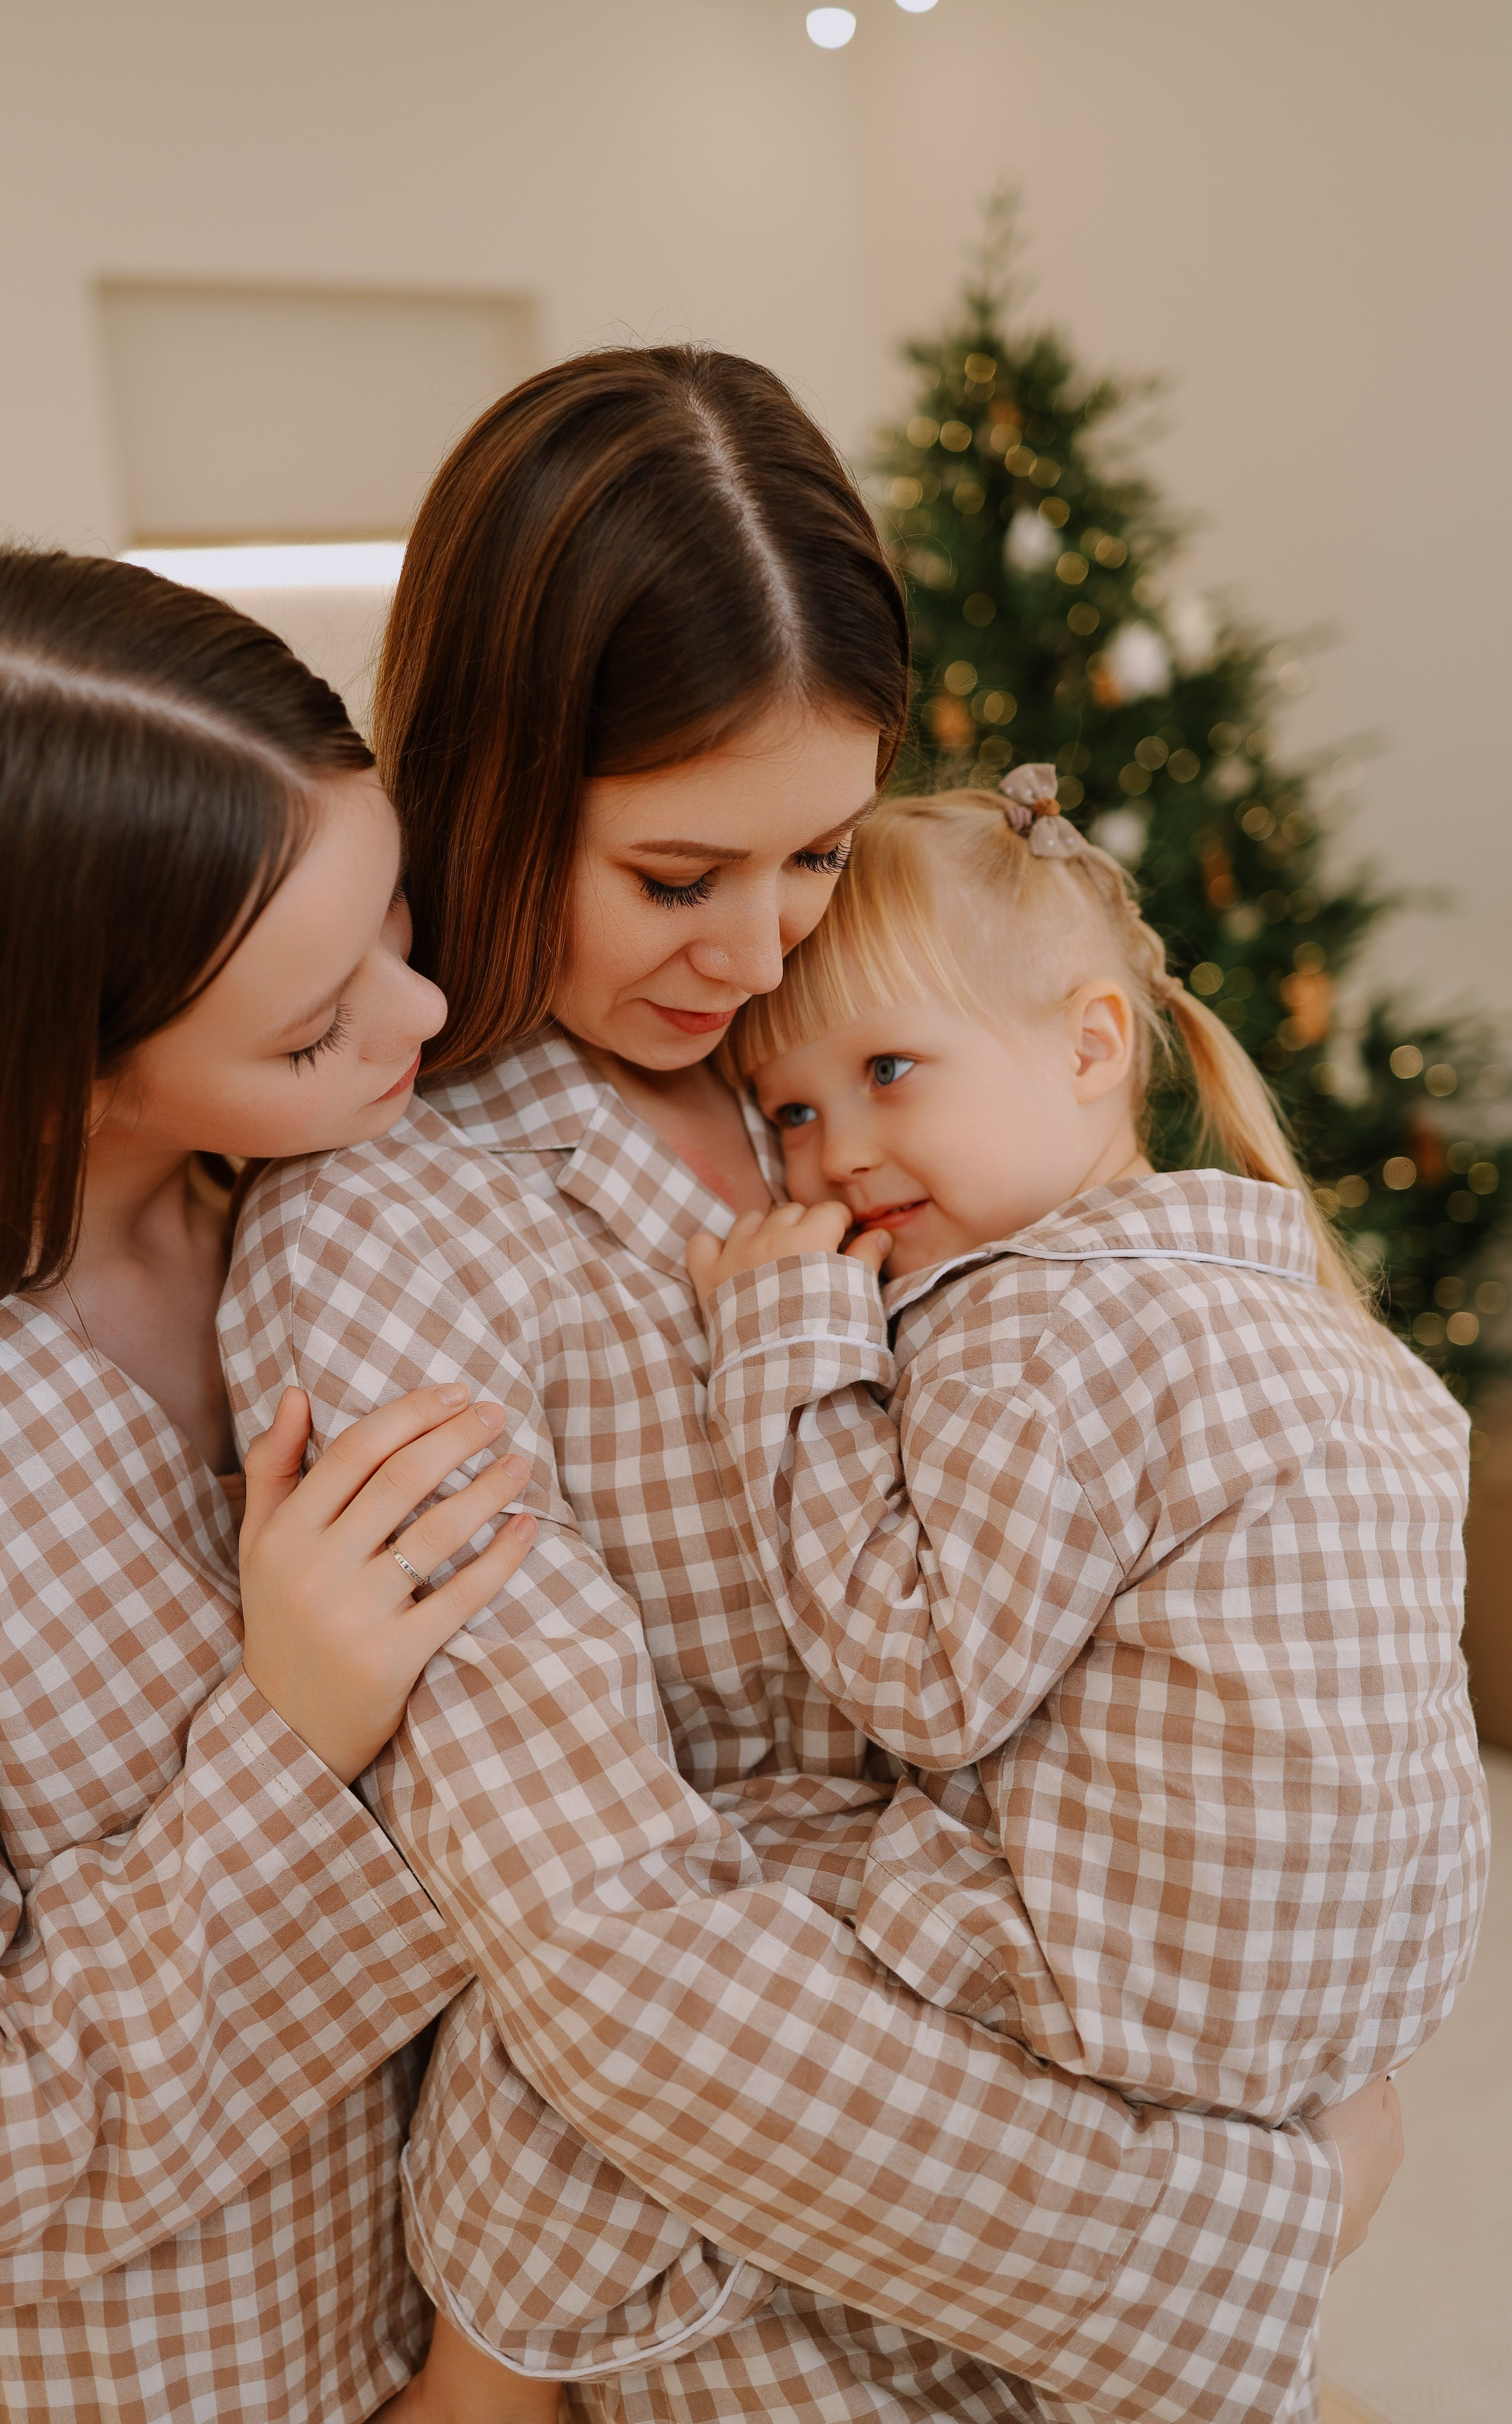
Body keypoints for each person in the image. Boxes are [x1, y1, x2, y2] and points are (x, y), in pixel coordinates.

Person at [220, 348, 1403, 2424]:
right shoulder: (383, 1240)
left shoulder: (861, 1080)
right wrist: (1241, 2227)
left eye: (820, 859)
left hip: (1111, 2108)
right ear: (495, 788)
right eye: (680, 879)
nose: (765, 953)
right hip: (757, 2312)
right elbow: (607, 1951)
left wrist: (1314, 2021)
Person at [0, 549, 534, 2424]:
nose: (422, 1020)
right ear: (56, 1068)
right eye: (313, 1024)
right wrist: (291, 1735)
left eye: (395, 921)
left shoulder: (337, 1214)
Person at [686, 771, 1487, 2126]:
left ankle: (491, 2342)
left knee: (688, 1869)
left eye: (886, 1069)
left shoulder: (1036, 1332)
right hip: (1379, 1974)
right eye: (789, 1112)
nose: (836, 1155)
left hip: (1141, 1969)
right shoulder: (1283, 1297)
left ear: (1088, 1047)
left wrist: (780, 1356)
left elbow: (928, 1680)